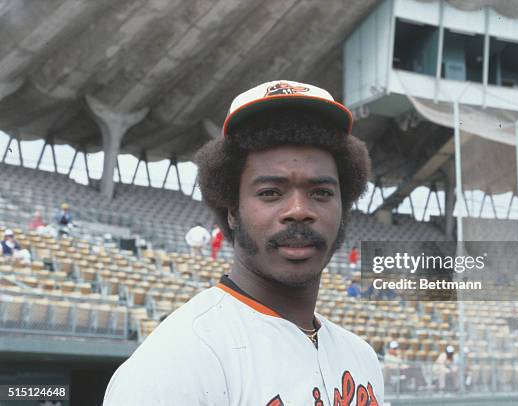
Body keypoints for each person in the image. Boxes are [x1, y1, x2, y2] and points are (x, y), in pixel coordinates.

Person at [103, 80, 382, 405]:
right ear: (232, 211)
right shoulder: (176, 362)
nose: (299, 211)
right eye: (270, 193)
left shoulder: (361, 357)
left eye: (321, 193)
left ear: (343, 208)